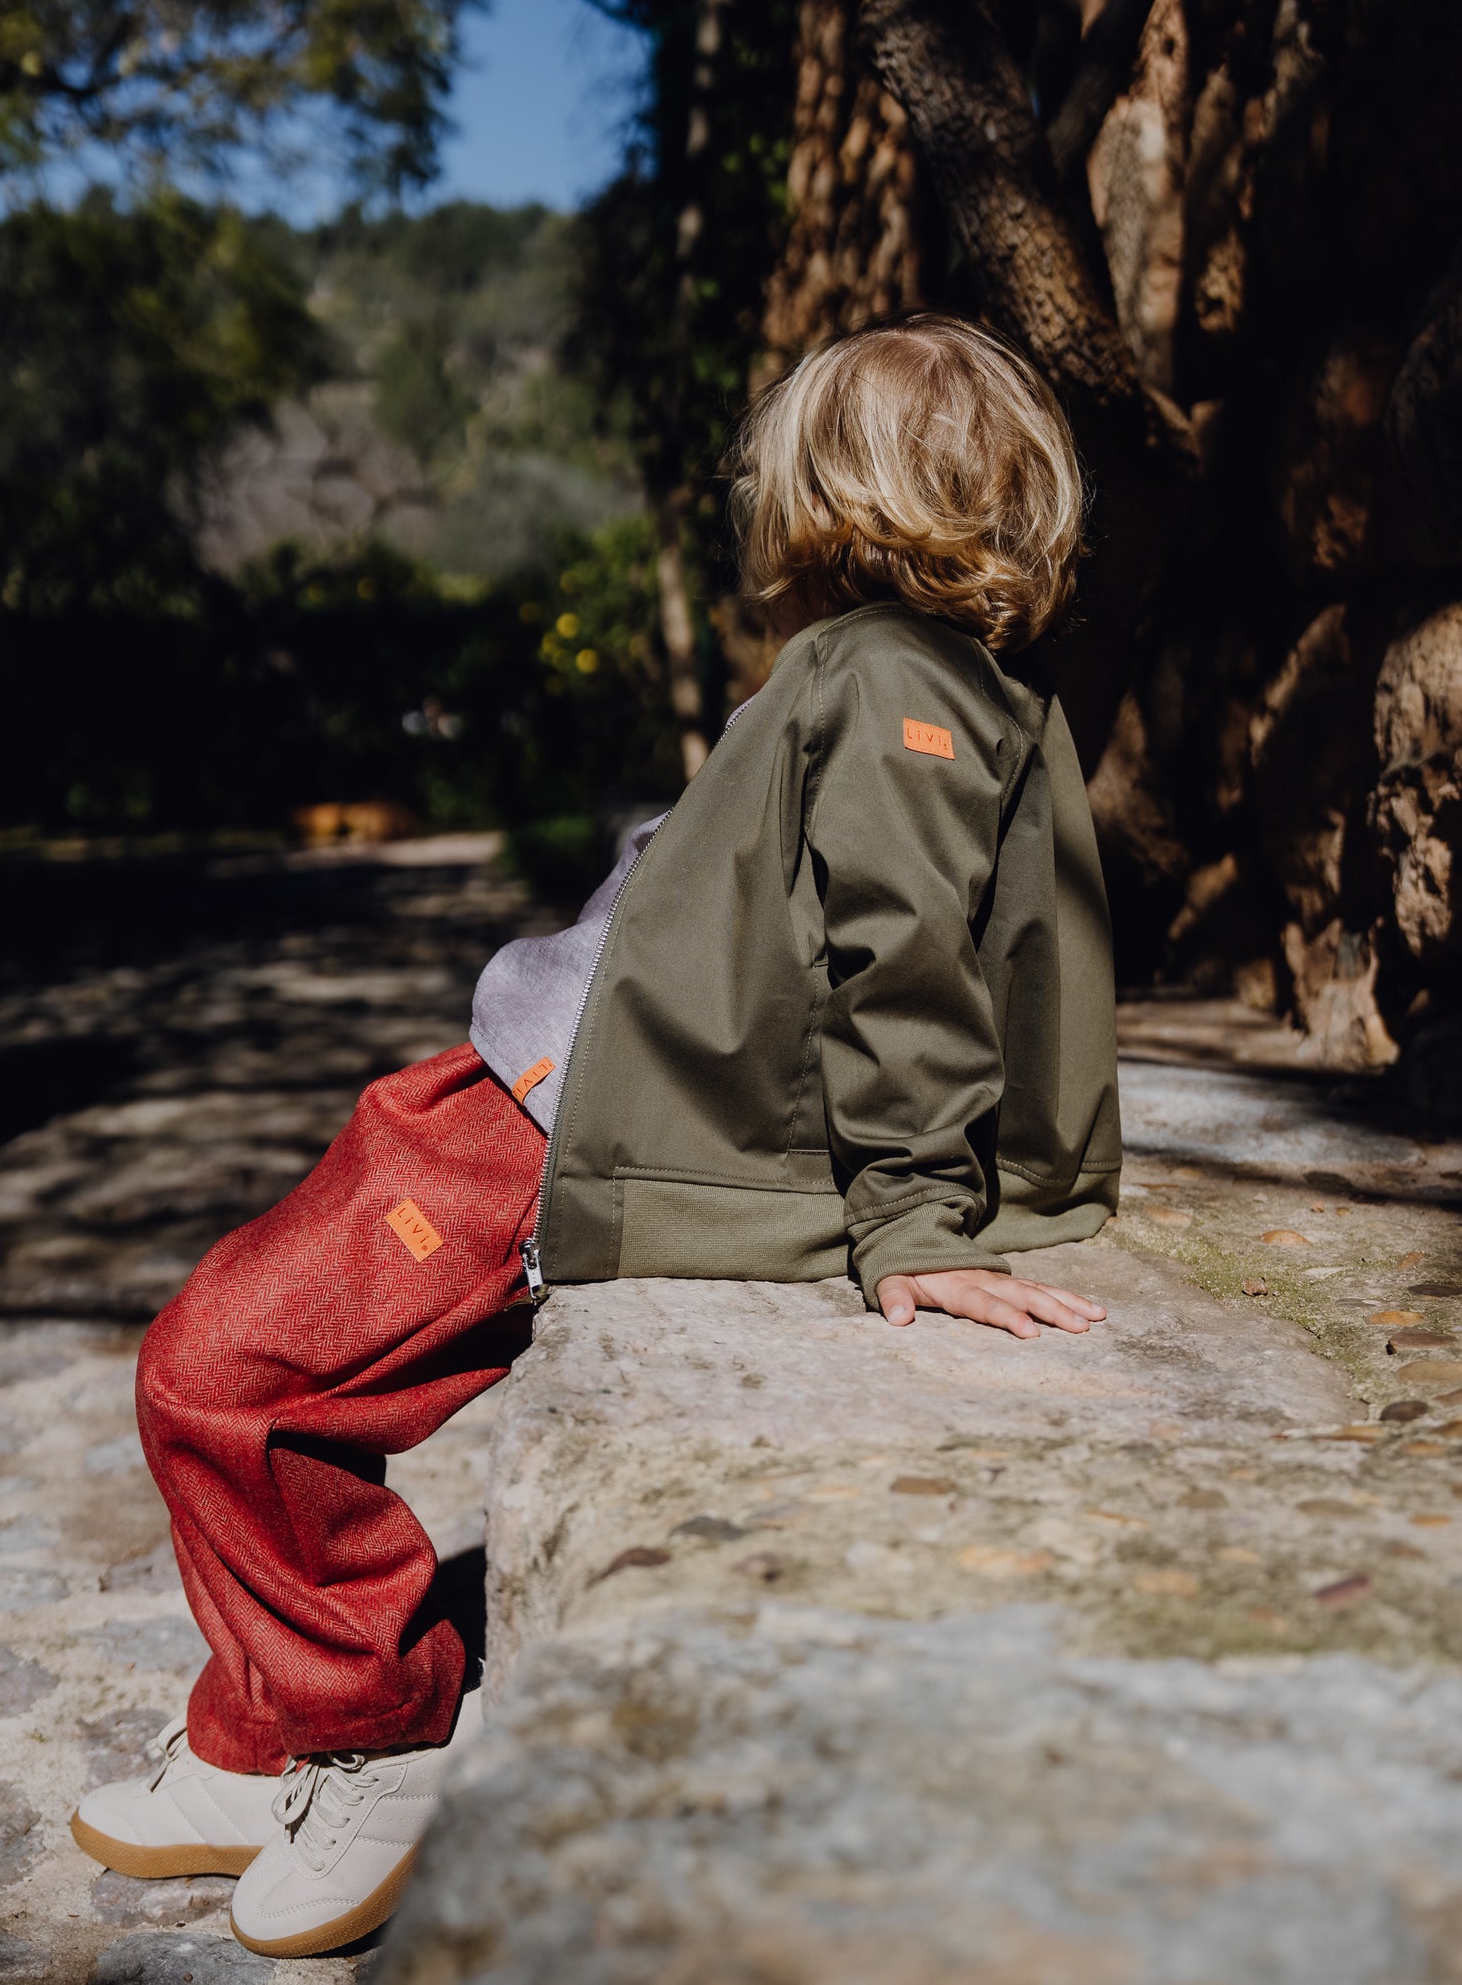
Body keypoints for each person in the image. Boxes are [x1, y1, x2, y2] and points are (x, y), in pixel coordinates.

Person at [70, 315, 1120, 1958]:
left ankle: (370, 1732)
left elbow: (905, 956)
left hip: (547, 1134)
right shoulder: (875, 676)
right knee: (230, 1349)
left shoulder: (900, 687)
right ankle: (260, 1731)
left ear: (832, 500)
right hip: (517, 1086)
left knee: (225, 1369)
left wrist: (915, 1213)